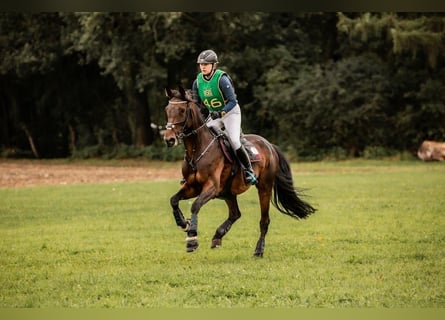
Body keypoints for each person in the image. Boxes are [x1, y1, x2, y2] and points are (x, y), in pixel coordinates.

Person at [192, 49, 257, 185]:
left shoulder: (222, 79)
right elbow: (197, 103)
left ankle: (248, 170)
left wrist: (220, 113)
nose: (203, 67)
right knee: (201, 137)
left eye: (206, 64)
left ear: (213, 65)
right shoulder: (197, 82)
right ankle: (196, 170)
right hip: (214, 115)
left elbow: (233, 101)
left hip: (230, 113)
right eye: (201, 64)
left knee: (234, 140)